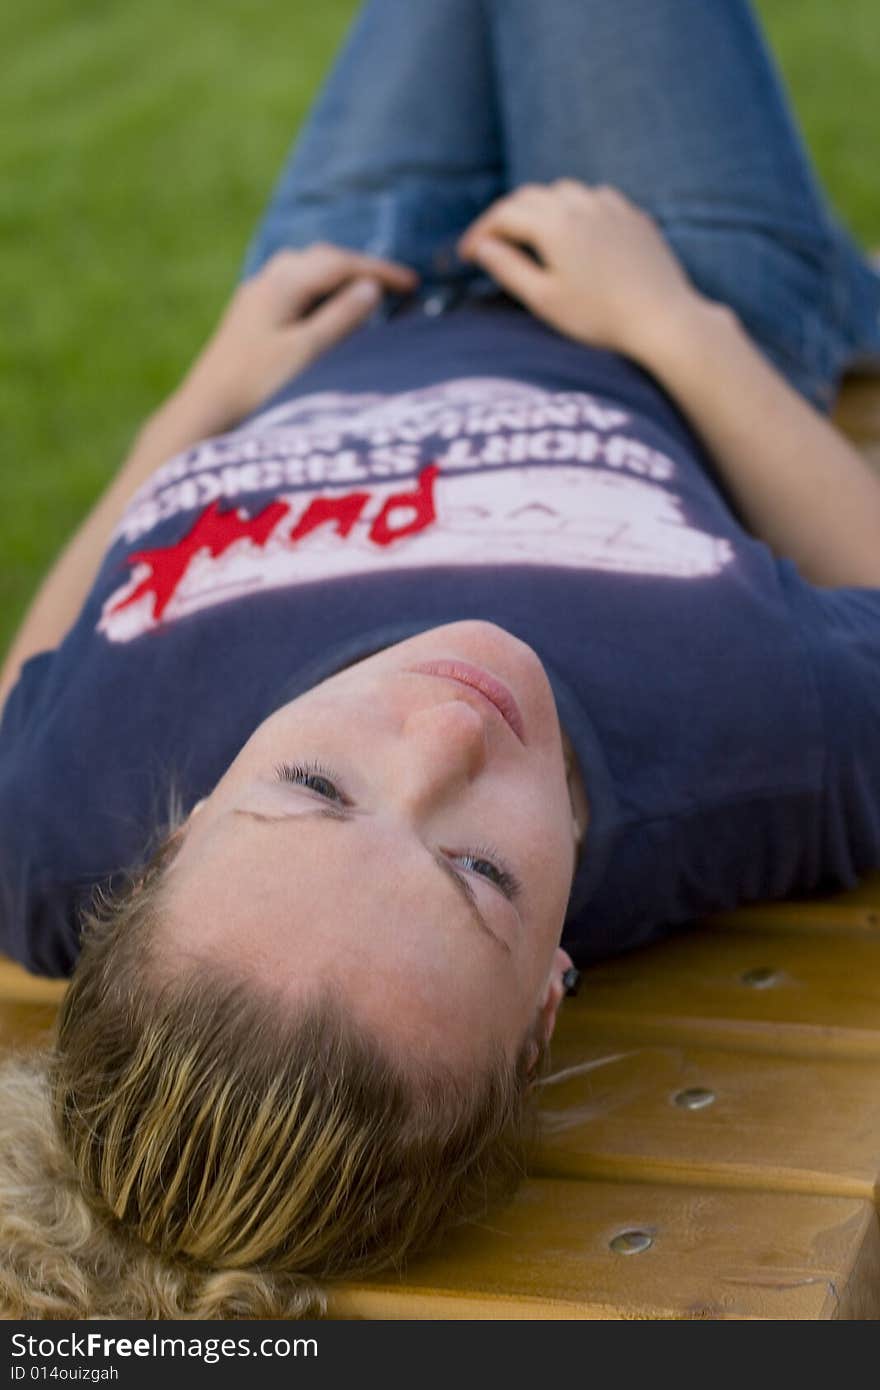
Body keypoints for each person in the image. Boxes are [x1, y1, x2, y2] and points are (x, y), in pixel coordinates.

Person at [2, 0, 880, 1320]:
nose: (442, 733)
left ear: (171, 843)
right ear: (544, 1002)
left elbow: (33, 677)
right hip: (662, 283)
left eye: (314, 787)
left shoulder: (53, 829)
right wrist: (673, 322)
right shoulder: (755, 745)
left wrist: (205, 392)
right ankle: (824, 285)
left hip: (343, 291)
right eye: (477, 872)